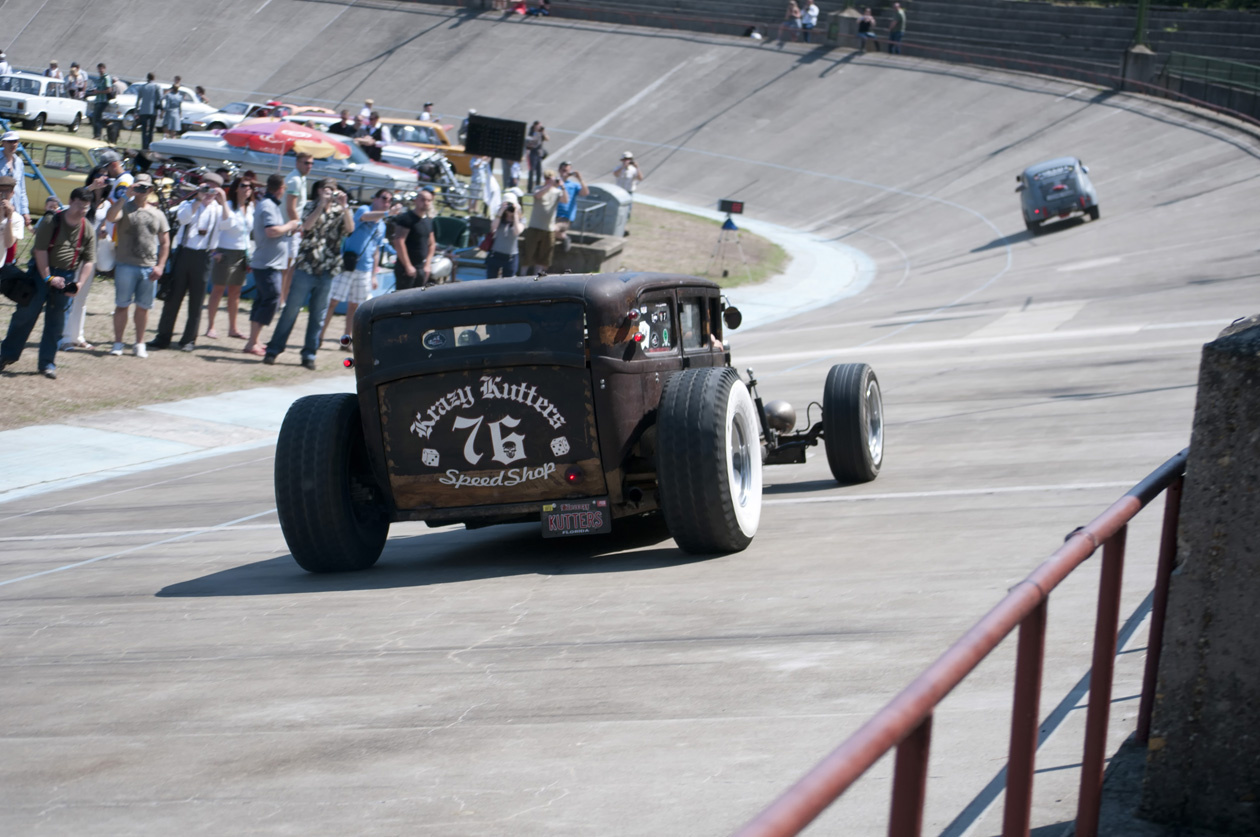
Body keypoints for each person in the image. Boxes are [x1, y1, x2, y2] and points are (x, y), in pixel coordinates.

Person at [0, 188, 96, 379]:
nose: (81, 211)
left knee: (56, 322)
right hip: (41, 273)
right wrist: (48, 278)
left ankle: (47, 364)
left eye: (85, 208)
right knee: (25, 315)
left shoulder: (87, 228)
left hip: (67, 276)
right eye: (78, 206)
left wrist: (79, 284)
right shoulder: (52, 220)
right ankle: (6, 356)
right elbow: (40, 251)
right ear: (71, 201)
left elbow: (89, 261)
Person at [264, 179, 354, 370]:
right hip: (306, 268)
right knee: (291, 311)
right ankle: (273, 350)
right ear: (319, 191)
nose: (329, 192)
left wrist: (345, 206)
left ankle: (309, 354)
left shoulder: (341, 210)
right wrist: (321, 205)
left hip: (328, 269)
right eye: (325, 189)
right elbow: (306, 227)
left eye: (332, 189)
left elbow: (350, 229)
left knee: (317, 315)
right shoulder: (310, 207)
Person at [148, 172, 227, 351]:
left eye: (213, 189)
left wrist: (223, 201)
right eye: (206, 187)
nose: (209, 193)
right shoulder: (189, 204)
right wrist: (198, 199)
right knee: (173, 297)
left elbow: (229, 225)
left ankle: (189, 339)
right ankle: (163, 336)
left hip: (204, 256)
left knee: (197, 301)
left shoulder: (219, 209)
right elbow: (183, 218)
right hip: (184, 253)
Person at [105, 174, 169, 357]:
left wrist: (161, 265)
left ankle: (139, 343)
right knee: (122, 305)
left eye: (146, 188)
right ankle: (118, 342)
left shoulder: (157, 213)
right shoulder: (124, 207)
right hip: (125, 264)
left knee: (143, 307)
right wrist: (125, 195)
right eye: (139, 187)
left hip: (148, 266)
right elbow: (110, 218)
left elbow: (165, 242)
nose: (142, 191)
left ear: (150, 190)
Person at [319, 188, 391, 347]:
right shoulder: (365, 210)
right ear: (375, 199)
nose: (387, 203)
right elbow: (365, 217)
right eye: (384, 198)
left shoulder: (382, 225)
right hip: (348, 265)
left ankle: (346, 340)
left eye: (389, 200)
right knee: (332, 302)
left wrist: (374, 274)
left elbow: (376, 251)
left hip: (365, 269)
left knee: (355, 306)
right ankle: (319, 336)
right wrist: (388, 213)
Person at [243, 173, 301, 357]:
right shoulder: (268, 205)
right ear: (281, 189)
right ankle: (253, 341)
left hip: (269, 262)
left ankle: (253, 340)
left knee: (263, 300)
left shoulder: (270, 205)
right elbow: (271, 231)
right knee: (272, 299)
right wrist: (291, 225)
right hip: (267, 263)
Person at [204, 176, 255, 341]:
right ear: (236, 188)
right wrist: (214, 251)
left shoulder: (251, 207)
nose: (248, 189)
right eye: (244, 185)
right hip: (225, 251)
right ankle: (210, 326)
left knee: (236, 292)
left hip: (242, 253)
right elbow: (218, 228)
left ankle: (233, 328)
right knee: (218, 290)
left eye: (250, 186)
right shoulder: (228, 206)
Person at [522, 169, 567, 276]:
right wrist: (548, 185)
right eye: (546, 178)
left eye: (550, 178)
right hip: (534, 227)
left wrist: (562, 186)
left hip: (549, 229)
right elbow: (537, 196)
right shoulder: (538, 188)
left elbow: (565, 200)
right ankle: (522, 276)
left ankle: (536, 277)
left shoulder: (557, 192)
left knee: (544, 257)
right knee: (528, 254)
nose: (548, 180)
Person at [282, 152, 314, 301]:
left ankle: (283, 298)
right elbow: (290, 207)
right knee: (286, 267)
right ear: (297, 163)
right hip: (289, 228)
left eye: (311, 163)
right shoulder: (295, 180)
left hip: (290, 228)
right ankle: (281, 299)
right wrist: (298, 225)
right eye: (306, 162)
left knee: (289, 266)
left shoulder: (300, 178)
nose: (309, 166)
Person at [390, 189, 435, 291]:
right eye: (423, 200)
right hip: (405, 268)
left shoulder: (428, 221)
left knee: (418, 299)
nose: (426, 203)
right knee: (402, 299)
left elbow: (432, 244)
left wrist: (427, 264)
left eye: (429, 200)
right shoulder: (406, 219)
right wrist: (408, 265)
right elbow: (398, 241)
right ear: (416, 200)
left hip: (421, 267)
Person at [0, 132, 31, 236]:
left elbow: (22, 189)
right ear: (3, 143)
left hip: (15, 210)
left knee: (12, 244)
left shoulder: (19, 162)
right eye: (9, 142)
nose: (13, 144)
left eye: (15, 141)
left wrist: (25, 211)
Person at [554, 160, 589, 250]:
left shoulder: (573, 185)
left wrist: (580, 179)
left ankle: (564, 238)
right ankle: (563, 237)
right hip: (552, 215)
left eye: (567, 171)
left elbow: (585, 192)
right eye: (563, 170)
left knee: (553, 229)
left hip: (565, 217)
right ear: (559, 170)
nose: (565, 173)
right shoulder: (554, 183)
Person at [486, 198, 523, 279]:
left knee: (507, 286)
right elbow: (493, 228)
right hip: (495, 255)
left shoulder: (520, 221)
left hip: (510, 258)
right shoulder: (499, 219)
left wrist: (515, 214)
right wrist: (501, 210)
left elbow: (517, 232)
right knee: (490, 282)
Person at [0, 175, 25, 268]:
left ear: (12, 193)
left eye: (6, 191)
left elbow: (8, 243)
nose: (2, 195)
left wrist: (9, 217)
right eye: (0, 190)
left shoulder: (17, 219)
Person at [614, 151, 644, 223]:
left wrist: (637, 168)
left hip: (628, 191)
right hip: (619, 191)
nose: (626, 161)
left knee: (628, 208)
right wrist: (623, 167)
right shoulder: (619, 168)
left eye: (628, 159)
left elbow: (640, 178)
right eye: (625, 159)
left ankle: (625, 221)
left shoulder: (634, 170)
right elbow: (615, 174)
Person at [135, 73, 162, 150]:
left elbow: (138, 100)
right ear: (154, 78)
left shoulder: (142, 87)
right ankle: (150, 145)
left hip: (143, 110)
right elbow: (160, 97)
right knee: (151, 129)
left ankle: (144, 145)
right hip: (153, 111)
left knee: (144, 129)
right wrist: (160, 108)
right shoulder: (156, 87)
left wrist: (136, 110)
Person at [90, 63, 113, 140]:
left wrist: (99, 91)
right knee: (95, 118)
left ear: (104, 69)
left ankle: (98, 135)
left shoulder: (106, 78)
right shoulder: (100, 78)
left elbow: (109, 90)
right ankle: (96, 134)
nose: (99, 70)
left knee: (97, 118)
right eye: (98, 69)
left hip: (103, 100)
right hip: (98, 100)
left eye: (101, 69)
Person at [525, 121, 548, 192]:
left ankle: (537, 187)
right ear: (535, 126)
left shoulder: (541, 133)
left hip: (539, 154)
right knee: (531, 172)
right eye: (539, 125)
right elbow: (531, 142)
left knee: (539, 172)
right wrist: (537, 132)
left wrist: (543, 132)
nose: (540, 127)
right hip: (532, 154)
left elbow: (547, 138)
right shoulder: (532, 133)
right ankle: (529, 188)